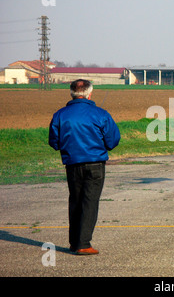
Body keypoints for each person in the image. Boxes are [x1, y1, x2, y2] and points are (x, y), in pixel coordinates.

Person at [49, 79, 120, 255]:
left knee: (75, 201)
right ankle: (83, 244)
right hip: (95, 164)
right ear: (90, 93)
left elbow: (54, 142)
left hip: (72, 164)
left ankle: (74, 242)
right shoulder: (101, 114)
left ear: (71, 93)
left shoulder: (60, 115)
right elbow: (112, 140)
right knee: (90, 202)